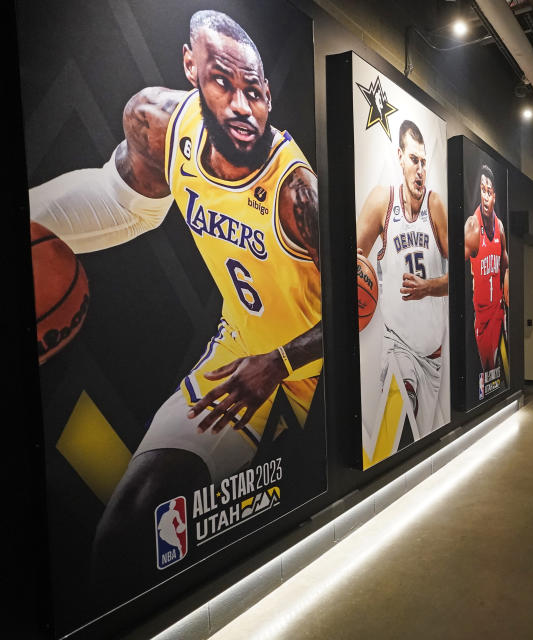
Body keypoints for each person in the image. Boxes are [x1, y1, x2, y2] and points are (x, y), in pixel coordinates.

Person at [28, 10, 324, 593]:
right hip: (241, 352)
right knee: (127, 527)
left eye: (255, 91)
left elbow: (357, 307)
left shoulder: (297, 195)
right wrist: (32, 218)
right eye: (223, 82)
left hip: (314, 363)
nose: (242, 105)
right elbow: (120, 203)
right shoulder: (160, 124)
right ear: (190, 68)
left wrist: (283, 362)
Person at [357, 119, 449, 431]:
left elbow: (463, 276)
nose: (420, 169)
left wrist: (430, 286)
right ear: (400, 157)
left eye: (424, 162)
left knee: (422, 437)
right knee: (399, 420)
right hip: (396, 344)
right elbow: (352, 259)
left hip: (432, 353)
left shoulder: (434, 205)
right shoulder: (383, 200)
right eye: (413, 160)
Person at [464, 164, 509, 373]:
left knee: (499, 365)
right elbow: (455, 268)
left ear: (494, 197)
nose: (485, 196)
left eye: (489, 192)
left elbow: (506, 266)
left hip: (498, 309)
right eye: (482, 190)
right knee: (487, 368)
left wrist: (507, 297)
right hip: (481, 315)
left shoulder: (500, 228)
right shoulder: (473, 226)